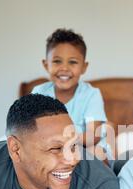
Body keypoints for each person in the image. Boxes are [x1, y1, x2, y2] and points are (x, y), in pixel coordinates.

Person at [32, 28, 111, 164]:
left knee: (97, 154)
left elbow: (93, 135)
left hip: (83, 145)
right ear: (46, 65)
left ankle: (99, 183)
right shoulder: (39, 93)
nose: (64, 68)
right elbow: (31, 129)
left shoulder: (91, 95)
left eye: (72, 62)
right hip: (49, 147)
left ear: (84, 67)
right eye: (57, 61)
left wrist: (63, 143)